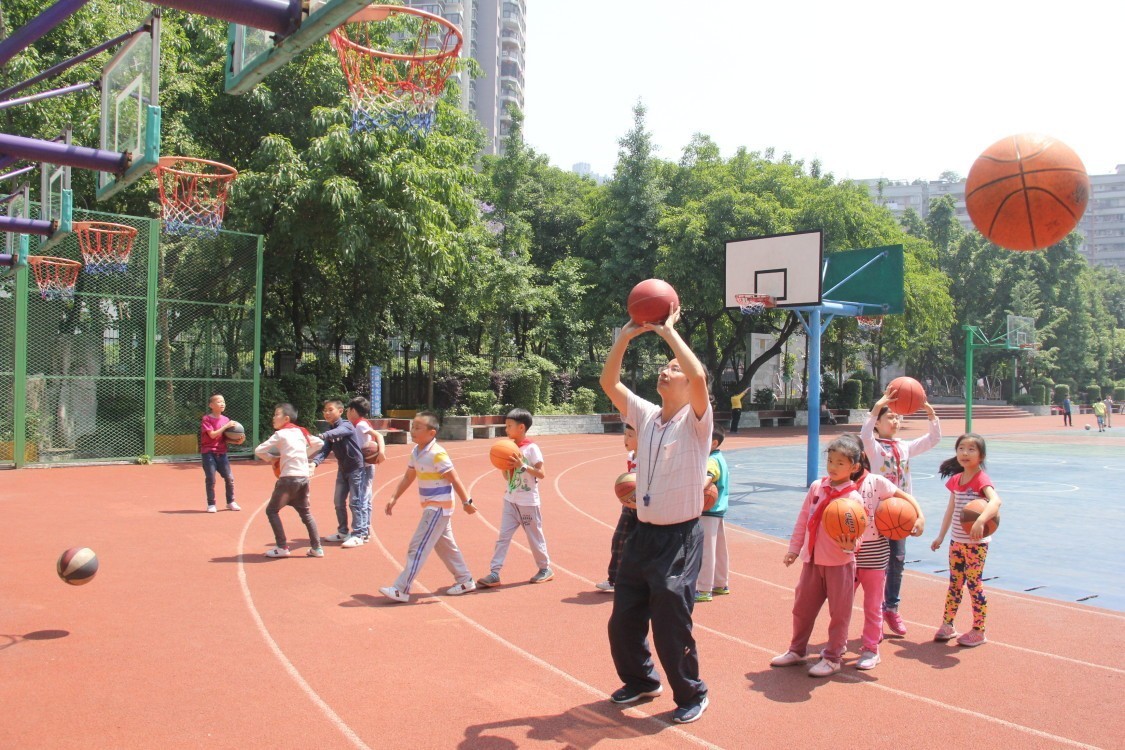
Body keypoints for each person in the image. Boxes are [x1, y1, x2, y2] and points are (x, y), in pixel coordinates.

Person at [599, 306, 712, 725]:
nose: (666, 372)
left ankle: (692, 693)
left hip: (679, 539)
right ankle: (642, 680)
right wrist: (626, 337)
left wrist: (667, 333)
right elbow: (609, 381)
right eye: (663, 368)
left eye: (672, 368)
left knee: (670, 624)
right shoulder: (646, 415)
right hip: (642, 535)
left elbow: (698, 376)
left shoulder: (697, 422)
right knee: (623, 620)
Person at [770, 436, 864, 677]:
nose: (833, 466)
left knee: (839, 614)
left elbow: (860, 531)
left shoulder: (853, 499)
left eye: (840, 463)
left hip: (839, 564)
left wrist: (850, 546)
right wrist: (794, 548)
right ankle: (797, 650)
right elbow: (803, 519)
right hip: (811, 561)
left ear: (854, 467)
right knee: (802, 609)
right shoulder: (817, 487)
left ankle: (833, 657)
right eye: (830, 460)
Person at [859, 385, 940, 637]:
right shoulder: (873, 447)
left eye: (897, 416)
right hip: (875, 513)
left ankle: (891, 608)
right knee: (872, 564)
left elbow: (933, 440)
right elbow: (863, 434)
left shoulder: (904, 447)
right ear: (877, 423)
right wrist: (876, 407)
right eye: (889, 417)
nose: (894, 420)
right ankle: (873, 612)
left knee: (897, 560)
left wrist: (929, 413)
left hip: (900, 513)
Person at [839, 434, 925, 671]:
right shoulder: (836, 486)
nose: (839, 465)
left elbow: (905, 497)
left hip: (875, 552)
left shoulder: (876, 482)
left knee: (873, 605)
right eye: (835, 460)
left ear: (859, 460)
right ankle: (837, 644)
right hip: (845, 554)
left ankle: (870, 649)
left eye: (844, 460)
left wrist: (920, 516)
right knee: (841, 603)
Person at [379, 412, 478, 603]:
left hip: (438, 507)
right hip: (431, 506)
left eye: (418, 427)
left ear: (432, 433)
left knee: (417, 547)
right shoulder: (416, 451)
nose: (413, 430)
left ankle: (401, 589)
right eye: (412, 426)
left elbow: (454, 478)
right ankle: (465, 580)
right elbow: (409, 477)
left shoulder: (437, 453)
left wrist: (467, 502)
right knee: (446, 547)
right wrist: (394, 497)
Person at [931, 433, 1002, 647]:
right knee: (954, 584)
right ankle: (948, 625)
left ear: (981, 456)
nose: (965, 453)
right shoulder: (956, 480)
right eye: (961, 448)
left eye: (971, 449)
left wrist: (981, 521)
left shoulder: (981, 479)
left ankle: (979, 631)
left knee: (974, 584)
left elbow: (996, 501)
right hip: (956, 542)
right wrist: (941, 536)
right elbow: (950, 510)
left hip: (975, 545)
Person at [476, 408, 554, 587]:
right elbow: (507, 477)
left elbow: (541, 474)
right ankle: (494, 573)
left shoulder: (532, 448)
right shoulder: (509, 448)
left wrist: (522, 466)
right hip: (510, 500)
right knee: (503, 537)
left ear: (521, 428)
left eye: (509, 426)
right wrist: (504, 466)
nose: (506, 430)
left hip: (528, 502)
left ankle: (545, 568)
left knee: (534, 537)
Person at [253, 403, 326, 558]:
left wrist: (272, 459)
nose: (273, 417)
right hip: (303, 478)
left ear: (286, 418)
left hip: (288, 479)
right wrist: (302, 454)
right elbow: (320, 443)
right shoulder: (301, 432)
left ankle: (281, 547)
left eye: (276, 414)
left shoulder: (281, 434)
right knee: (306, 513)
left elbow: (259, 450)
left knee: (271, 511)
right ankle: (317, 548)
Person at [311, 399, 368, 547]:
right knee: (338, 502)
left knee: (355, 502)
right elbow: (325, 450)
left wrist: (324, 435)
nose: (327, 413)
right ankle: (343, 532)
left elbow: (338, 432)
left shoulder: (346, 425)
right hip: (342, 469)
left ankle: (359, 534)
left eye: (330, 410)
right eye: (325, 410)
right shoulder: (331, 431)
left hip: (355, 468)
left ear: (340, 411)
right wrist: (314, 463)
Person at [595, 423, 639, 594]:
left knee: (643, 545)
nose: (626, 439)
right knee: (619, 540)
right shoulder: (631, 456)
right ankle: (615, 580)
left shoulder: (649, 458)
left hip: (646, 508)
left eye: (630, 435)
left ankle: (642, 583)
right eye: (625, 434)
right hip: (629, 507)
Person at [695, 427, 730, 603]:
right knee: (719, 549)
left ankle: (703, 588)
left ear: (714, 443)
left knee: (706, 550)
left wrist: (693, 489)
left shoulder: (711, 460)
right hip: (718, 510)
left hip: (708, 510)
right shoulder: (720, 458)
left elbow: (707, 478)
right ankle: (720, 583)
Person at [347, 396, 386, 545]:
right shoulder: (358, 424)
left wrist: (381, 452)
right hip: (366, 466)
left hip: (364, 466)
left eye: (348, 409)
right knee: (365, 498)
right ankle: (366, 530)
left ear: (353, 410)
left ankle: (361, 533)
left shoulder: (360, 425)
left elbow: (378, 435)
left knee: (361, 499)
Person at [200, 393, 240, 513]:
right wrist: (226, 426)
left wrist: (236, 441)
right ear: (211, 405)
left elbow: (224, 437)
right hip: (208, 453)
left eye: (223, 401)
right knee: (211, 478)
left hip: (221, 453)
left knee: (229, 478)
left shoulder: (226, 419)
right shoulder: (206, 419)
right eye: (219, 402)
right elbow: (212, 435)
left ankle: (231, 502)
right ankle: (211, 504)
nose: (222, 403)